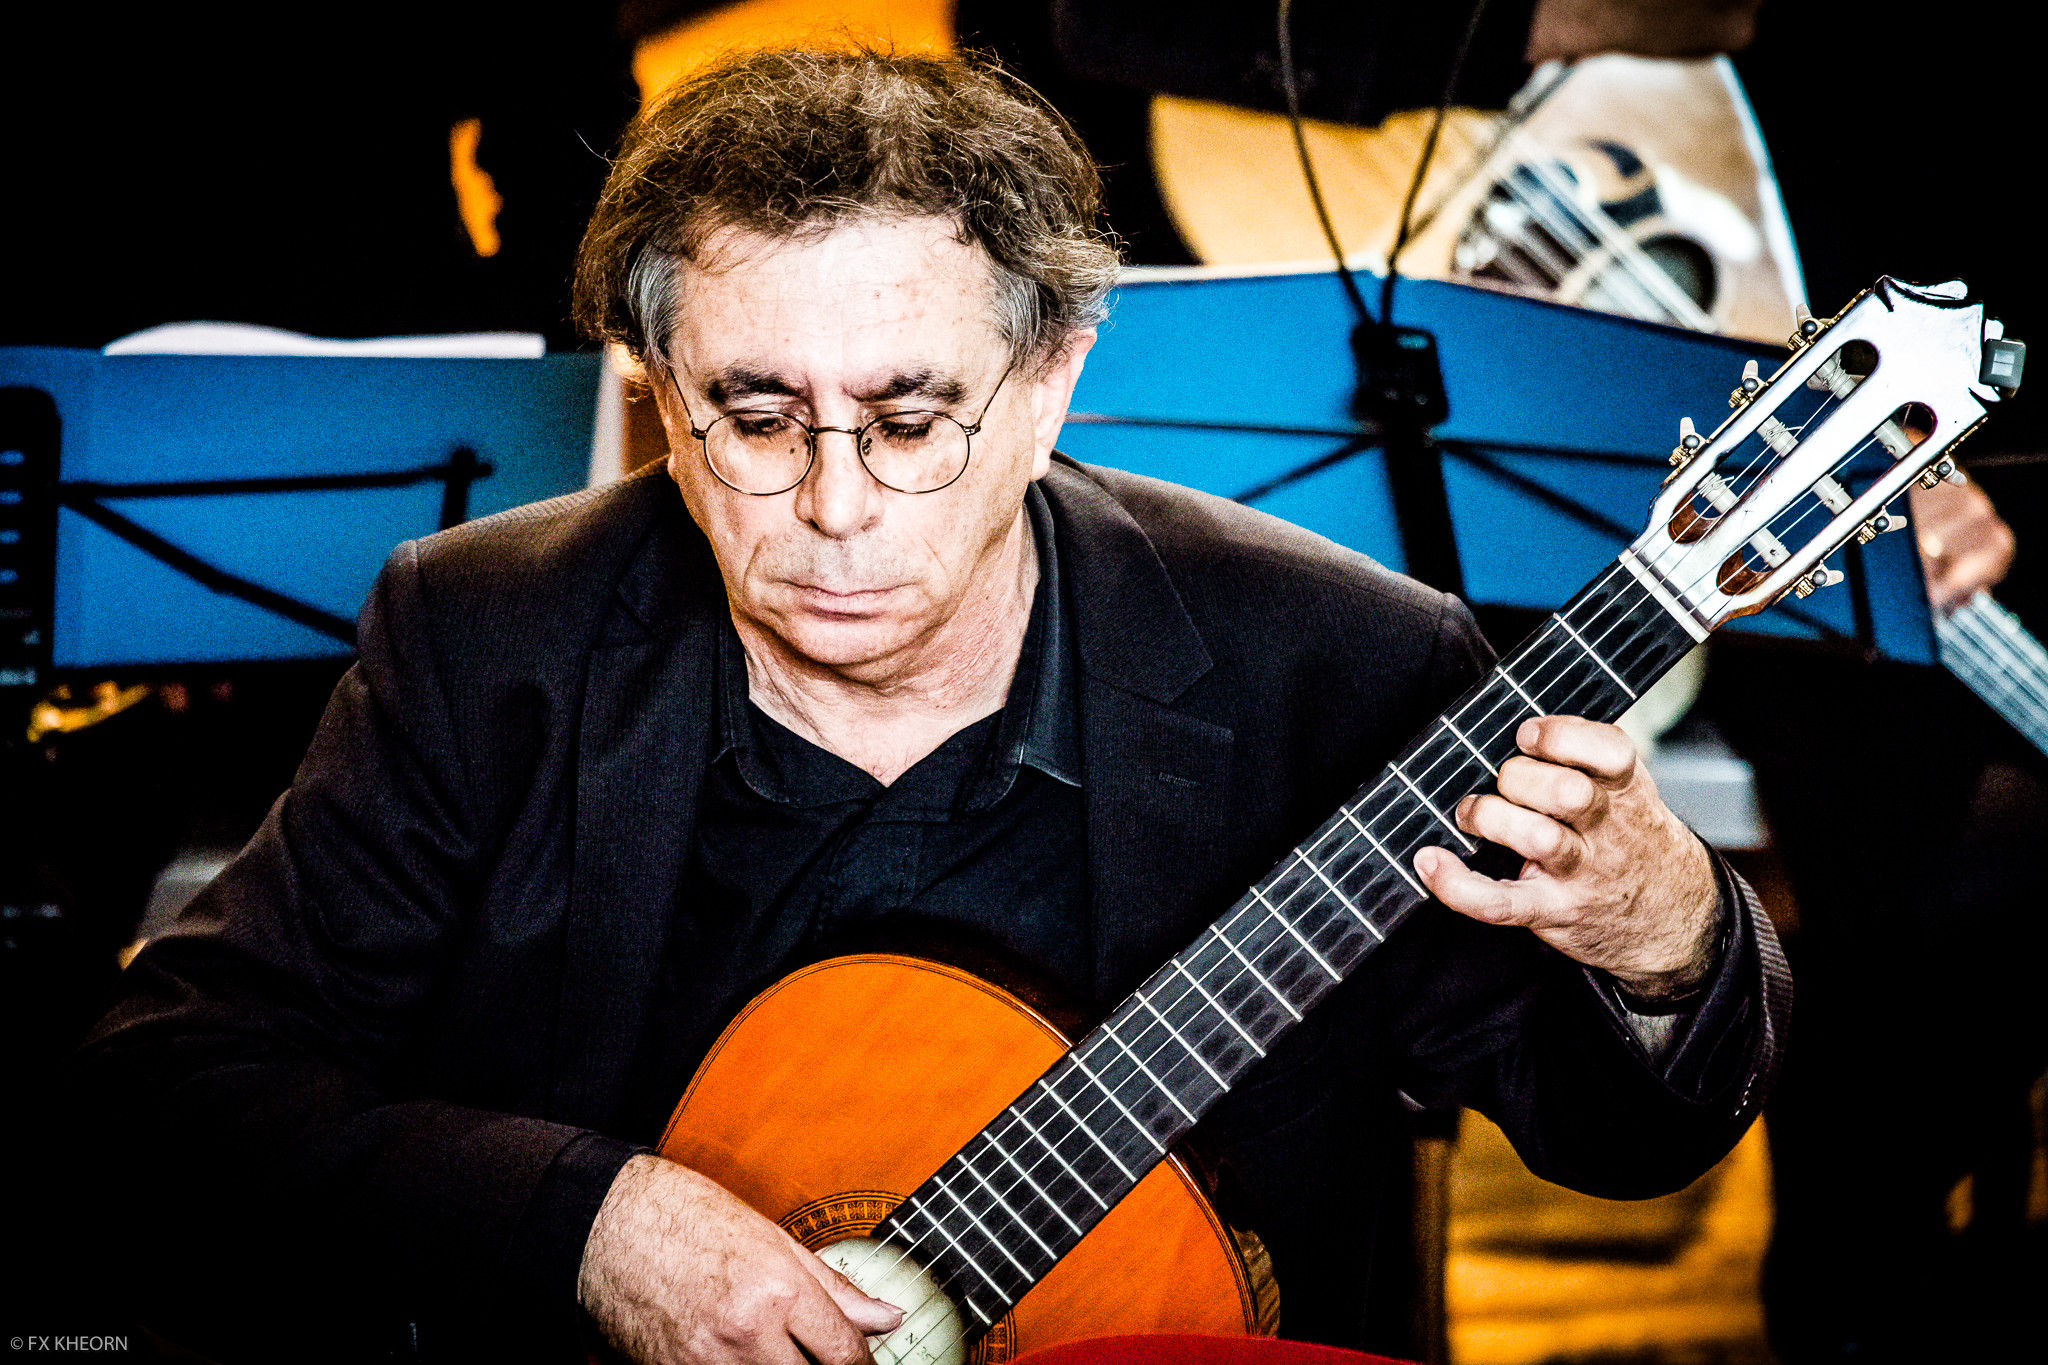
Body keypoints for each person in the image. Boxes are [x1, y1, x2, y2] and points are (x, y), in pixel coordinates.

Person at [72, 48, 1787, 1364]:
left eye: (910, 421)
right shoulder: (487, 638)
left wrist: (1668, 939)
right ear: (656, 392)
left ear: (1050, 384)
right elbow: (172, 1087)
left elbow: (1617, 1140)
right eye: (755, 417)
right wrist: (589, 1224)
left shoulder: (1336, 666)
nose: (834, 505)